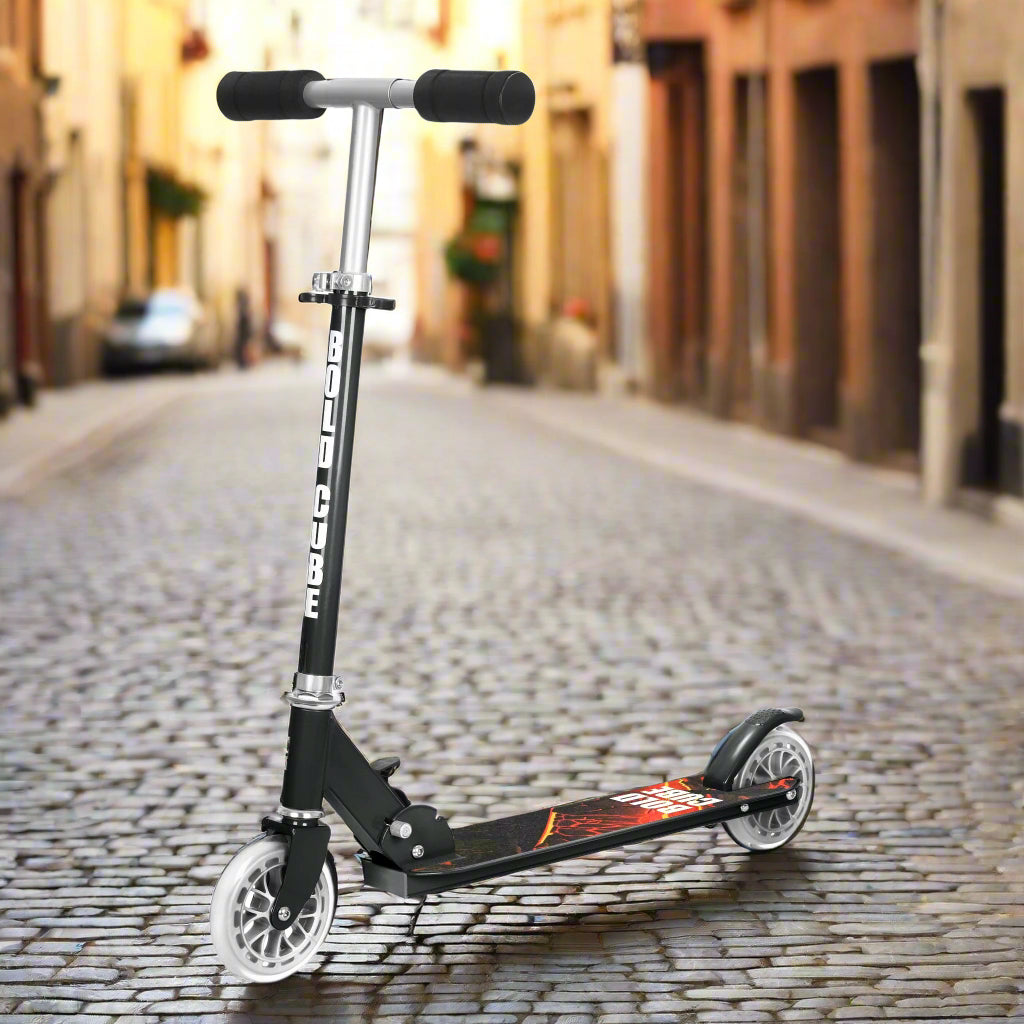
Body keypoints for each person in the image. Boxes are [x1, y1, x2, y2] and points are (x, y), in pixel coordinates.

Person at [234, 288, 252, 369]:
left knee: (244, 344)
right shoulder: (242, 307)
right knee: (243, 344)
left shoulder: (243, 308)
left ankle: (244, 361)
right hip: (243, 329)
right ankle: (242, 361)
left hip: (243, 328)